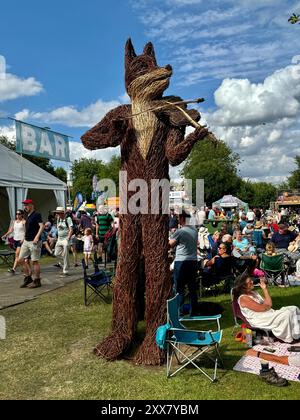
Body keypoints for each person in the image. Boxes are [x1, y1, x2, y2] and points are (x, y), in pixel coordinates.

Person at [233, 273, 300, 343]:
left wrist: (265, 289)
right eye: (249, 282)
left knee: (294, 308)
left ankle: (296, 334)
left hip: (266, 314)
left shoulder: (254, 293)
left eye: (251, 280)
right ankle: (288, 338)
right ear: (244, 286)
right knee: (287, 314)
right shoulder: (243, 298)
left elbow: (268, 304)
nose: (252, 282)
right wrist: (266, 306)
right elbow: (263, 308)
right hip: (259, 319)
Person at [169, 210, 199, 316]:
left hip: (182, 262)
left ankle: (179, 311)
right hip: (193, 261)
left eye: (178, 218)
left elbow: (170, 245)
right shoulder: (195, 230)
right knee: (192, 288)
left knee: (179, 288)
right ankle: (193, 311)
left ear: (182, 219)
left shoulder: (180, 231)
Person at [18, 199, 44, 288]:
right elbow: (27, 228)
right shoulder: (27, 215)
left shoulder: (37, 214)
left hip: (34, 242)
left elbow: (42, 226)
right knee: (20, 260)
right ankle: (28, 278)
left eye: (27, 205)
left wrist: (37, 237)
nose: (25, 207)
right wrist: (23, 237)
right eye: (24, 205)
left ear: (32, 205)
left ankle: (37, 281)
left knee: (34, 261)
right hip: (26, 241)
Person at [2, 209, 26, 274]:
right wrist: (5, 235)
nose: (17, 215)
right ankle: (24, 267)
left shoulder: (24, 222)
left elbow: (26, 232)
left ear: (22, 215)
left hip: (21, 240)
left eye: (19, 214)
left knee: (17, 254)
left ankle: (14, 269)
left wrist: (23, 238)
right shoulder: (14, 222)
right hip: (15, 240)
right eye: (16, 214)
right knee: (19, 256)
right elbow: (11, 230)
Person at [53, 207, 73, 277]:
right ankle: (66, 262)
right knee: (56, 254)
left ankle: (65, 271)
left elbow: (71, 229)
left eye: (58, 213)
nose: (57, 214)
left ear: (62, 213)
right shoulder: (58, 219)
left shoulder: (68, 219)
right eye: (57, 213)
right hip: (59, 239)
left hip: (65, 239)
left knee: (65, 253)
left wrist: (68, 238)